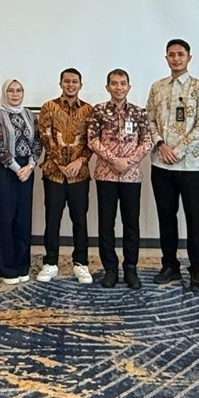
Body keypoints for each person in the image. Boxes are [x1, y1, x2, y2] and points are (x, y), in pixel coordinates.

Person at [146, 39, 199, 289]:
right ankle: (170, 266)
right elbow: (149, 120)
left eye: (181, 54)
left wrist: (179, 150)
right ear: (166, 58)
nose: (176, 58)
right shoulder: (157, 88)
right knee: (166, 217)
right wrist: (162, 145)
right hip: (161, 164)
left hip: (192, 166)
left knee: (195, 219)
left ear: (189, 58)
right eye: (172, 55)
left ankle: (197, 269)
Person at [86, 69, 154, 289]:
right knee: (106, 223)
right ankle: (111, 269)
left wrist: (128, 162)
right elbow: (92, 140)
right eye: (114, 84)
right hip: (106, 175)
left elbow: (147, 142)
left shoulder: (139, 113)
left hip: (131, 176)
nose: (118, 87)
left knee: (131, 224)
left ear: (129, 87)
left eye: (123, 83)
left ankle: (131, 268)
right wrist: (114, 160)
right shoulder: (99, 111)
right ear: (107, 87)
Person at [37, 68, 94, 284]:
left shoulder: (89, 110)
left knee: (80, 220)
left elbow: (92, 141)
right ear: (60, 83)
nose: (71, 85)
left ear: (81, 85)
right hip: (54, 174)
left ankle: (81, 263)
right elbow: (45, 136)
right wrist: (61, 164)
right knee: (53, 219)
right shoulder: (48, 107)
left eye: (75, 82)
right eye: (67, 81)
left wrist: (80, 161)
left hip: (79, 175)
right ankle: (50, 263)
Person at [0, 79, 41, 285]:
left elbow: (37, 141)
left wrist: (31, 165)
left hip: (27, 170)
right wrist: (17, 168)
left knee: (22, 219)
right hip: (4, 171)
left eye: (19, 90)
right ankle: (5, 268)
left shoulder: (29, 114)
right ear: (4, 92)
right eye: (10, 90)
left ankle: (22, 266)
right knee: (4, 219)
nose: (15, 94)